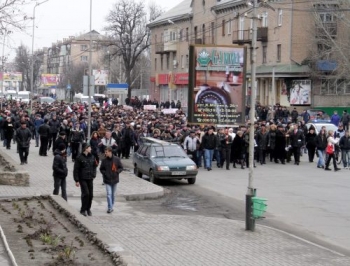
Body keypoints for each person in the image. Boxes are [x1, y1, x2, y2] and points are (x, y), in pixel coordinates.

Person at [73, 143, 97, 216]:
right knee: (86, 193)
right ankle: (83, 209)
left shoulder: (92, 157)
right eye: (89, 148)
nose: (91, 149)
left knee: (91, 195)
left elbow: (94, 166)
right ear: (85, 148)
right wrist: (76, 180)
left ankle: (88, 208)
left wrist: (94, 174)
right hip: (82, 178)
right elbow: (76, 170)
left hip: (90, 178)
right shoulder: (79, 158)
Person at [100, 146, 123, 213]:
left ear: (110, 152)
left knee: (113, 194)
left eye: (106, 152)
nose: (105, 153)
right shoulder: (104, 160)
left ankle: (111, 206)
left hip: (115, 179)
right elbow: (101, 169)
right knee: (109, 194)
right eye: (105, 152)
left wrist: (117, 172)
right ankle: (110, 207)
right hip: (107, 180)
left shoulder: (116, 159)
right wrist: (105, 173)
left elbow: (121, 167)